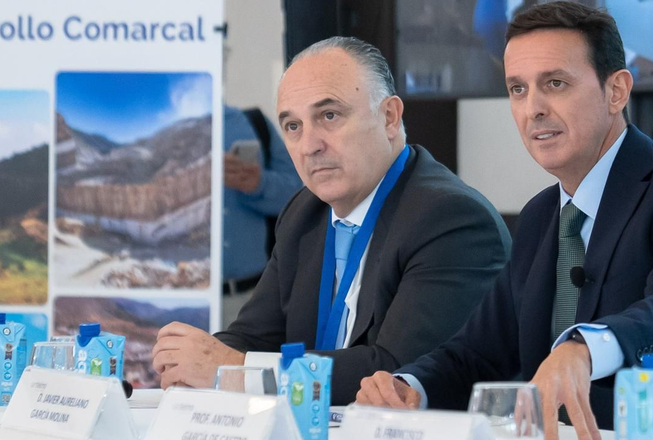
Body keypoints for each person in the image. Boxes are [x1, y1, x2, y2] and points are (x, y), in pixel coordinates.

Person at [357, 0, 653, 440]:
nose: (532, 108)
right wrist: (409, 387)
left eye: (554, 84)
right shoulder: (540, 217)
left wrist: (583, 349)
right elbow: (476, 353)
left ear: (616, 91)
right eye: (517, 89)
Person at [151, 37, 510, 403]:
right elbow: (251, 337)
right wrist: (196, 366)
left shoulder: (451, 220)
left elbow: (393, 373)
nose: (309, 145)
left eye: (329, 116)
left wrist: (233, 372)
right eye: (293, 126)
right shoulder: (304, 214)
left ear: (389, 117)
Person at [221, 102, 301, 324]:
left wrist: (259, 185)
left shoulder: (252, 123)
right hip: (179, 300)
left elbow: (300, 195)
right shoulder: (164, 129)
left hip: (251, 299)